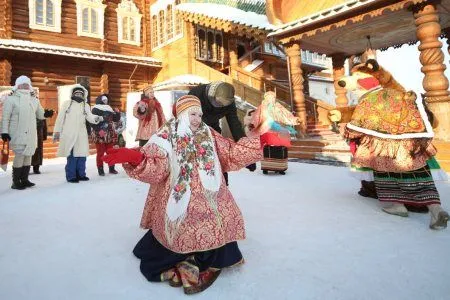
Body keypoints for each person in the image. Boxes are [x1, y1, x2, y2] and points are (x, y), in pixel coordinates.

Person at [103, 95, 263, 294]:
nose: (197, 119)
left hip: (212, 191)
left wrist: (260, 141)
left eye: (199, 114)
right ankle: (189, 257)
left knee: (226, 211)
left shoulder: (209, 133)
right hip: (178, 192)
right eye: (192, 114)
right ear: (181, 114)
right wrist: (136, 158)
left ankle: (214, 257)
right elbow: (158, 168)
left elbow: (230, 154)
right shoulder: (165, 135)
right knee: (188, 218)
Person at [188, 81, 256, 184]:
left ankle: (222, 185)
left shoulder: (229, 103)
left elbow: (234, 125)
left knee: (219, 155)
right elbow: (183, 117)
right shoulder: (195, 95)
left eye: (222, 105)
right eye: (217, 103)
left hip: (214, 128)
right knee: (198, 162)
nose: (218, 106)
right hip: (192, 131)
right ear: (211, 95)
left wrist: (246, 153)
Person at [1, 75, 45, 189]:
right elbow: (5, 118)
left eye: (26, 84)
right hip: (17, 133)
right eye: (22, 84)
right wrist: (4, 132)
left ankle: (24, 179)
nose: (24, 86)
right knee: (20, 155)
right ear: (17, 85)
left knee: (28, 156)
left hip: (31, 134)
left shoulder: (34, 100)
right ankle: (16, 181)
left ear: (29, 85)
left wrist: (47, 113)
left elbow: (40, 114)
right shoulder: (11, 99)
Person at [53, 85, 103, 183]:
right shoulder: (67, 104)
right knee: (72, 155)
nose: (79, 95)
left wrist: (97, 118)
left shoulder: (85, 105)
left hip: (81, 134)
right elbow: (60, 118)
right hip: (69, 133)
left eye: (81, 93)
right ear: (72, 94)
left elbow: (90, 117)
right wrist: (57, 131)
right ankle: (71, 176)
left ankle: (81, 174)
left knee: (82, 155)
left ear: (84, 95)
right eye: (77, 93)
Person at [90, 94, 121, 176]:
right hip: (99, 133)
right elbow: (92, 122)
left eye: (106, 100)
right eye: (104, 100)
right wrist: (99, 131)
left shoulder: (109, 108)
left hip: (109, 134)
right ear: (100, 100)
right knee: (100, 152)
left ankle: (112, 168)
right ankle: (100, 170)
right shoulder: (95, 109)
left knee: (110, 152)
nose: (105, 101)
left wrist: (117, 113)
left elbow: (115, 119)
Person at [31, 94, 54, 174]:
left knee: (38, 151)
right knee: (30, 151)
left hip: (39, 134)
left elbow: (44, 123)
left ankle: (36, 167)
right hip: (29, 134)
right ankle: (25, 168)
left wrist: (44, 135)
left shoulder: (40, 110)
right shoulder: (27, 110)